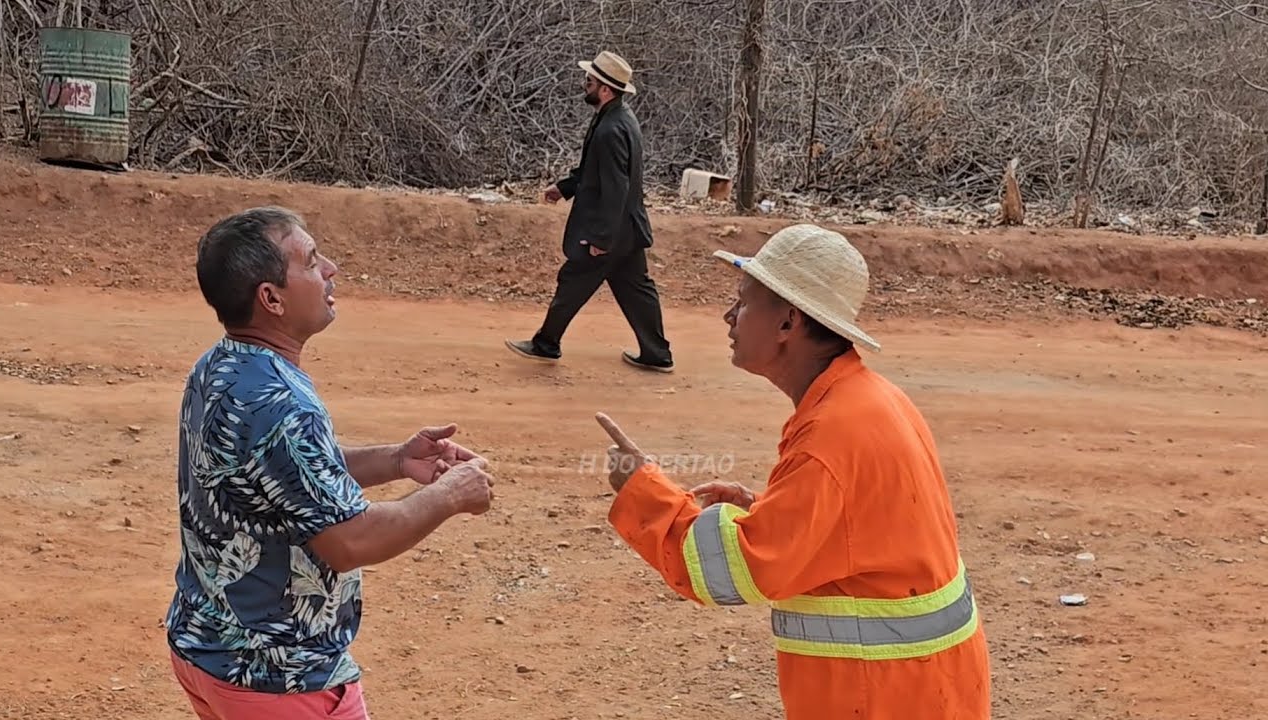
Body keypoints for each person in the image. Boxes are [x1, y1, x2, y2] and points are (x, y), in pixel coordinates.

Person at [592, 224, 991, 719]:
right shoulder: (867, 401)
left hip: (885, 694)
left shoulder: (831, 435)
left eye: (743, 302)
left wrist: (641, 490)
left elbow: (734, 571)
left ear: (788, 322)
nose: (728, 316)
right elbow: (862, 531)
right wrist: (766, 510)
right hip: (924, 687)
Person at [164, 207, 496, 720]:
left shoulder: (221, 365)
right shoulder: (283, 404)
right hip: (279, 680)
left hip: (208, 650)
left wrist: (396, 460)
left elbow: (284, 474)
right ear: (271, 298)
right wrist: (450, 495)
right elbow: (350, 542)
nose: (330, 269)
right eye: (311, 260)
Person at [506, 50, 674, 372]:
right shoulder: (618, 117)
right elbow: (594, 171)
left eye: (589, 81)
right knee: (637, 289)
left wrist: (602, 238)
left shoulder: (611, 130)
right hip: (627, 228)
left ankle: (546, 344)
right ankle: (656, 354)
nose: (585, 85)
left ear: (605, 90)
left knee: (573, 281)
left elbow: (615, 188)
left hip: (611, 229)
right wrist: (565, 188)